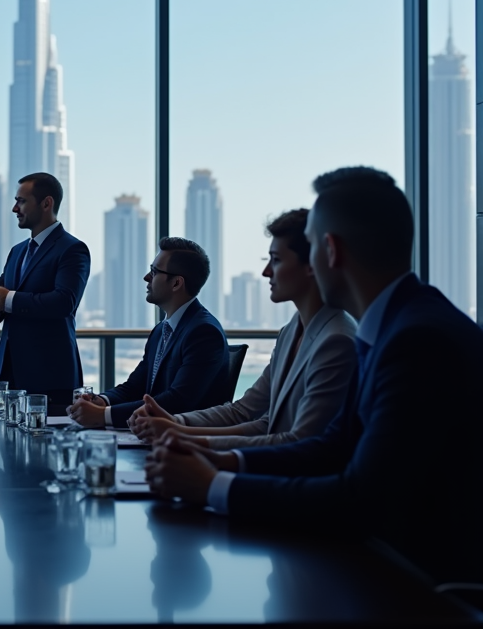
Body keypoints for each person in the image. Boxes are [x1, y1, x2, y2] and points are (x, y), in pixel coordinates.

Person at [145, 167, 483, 585]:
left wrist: (215, 486)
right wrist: (221, 460)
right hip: (382, 562)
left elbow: (361, 499)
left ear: (330, 251)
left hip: (420, 587)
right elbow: (330, 445)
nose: (269, 271)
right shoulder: (392, 327)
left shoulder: (416, 342)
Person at [133, 209, 357, 448]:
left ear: (311, 265)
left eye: (277, 260)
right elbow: (248, 414)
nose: (266, 271)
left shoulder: (337, 340)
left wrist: (188, 439)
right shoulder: (290, 331)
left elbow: (299, 442)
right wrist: (176, 423)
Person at [68, 237, 231, 429]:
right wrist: (102, 401)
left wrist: (104, 416)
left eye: (154, 271)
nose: (146, 277)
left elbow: (177, 401)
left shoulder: (204, 333)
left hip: (186, 445)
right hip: (154, 436)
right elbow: (134, 387)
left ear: (176, 283)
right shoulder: (162, 330)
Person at [0, 172, 90, 406]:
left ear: (46, 203)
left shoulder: (72, 249)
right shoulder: (17, 251)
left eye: (21, 201)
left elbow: (63, 302)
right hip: (8, 378)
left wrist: (8, 299)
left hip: (50, 378)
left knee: (52, 442)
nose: (14, 208)